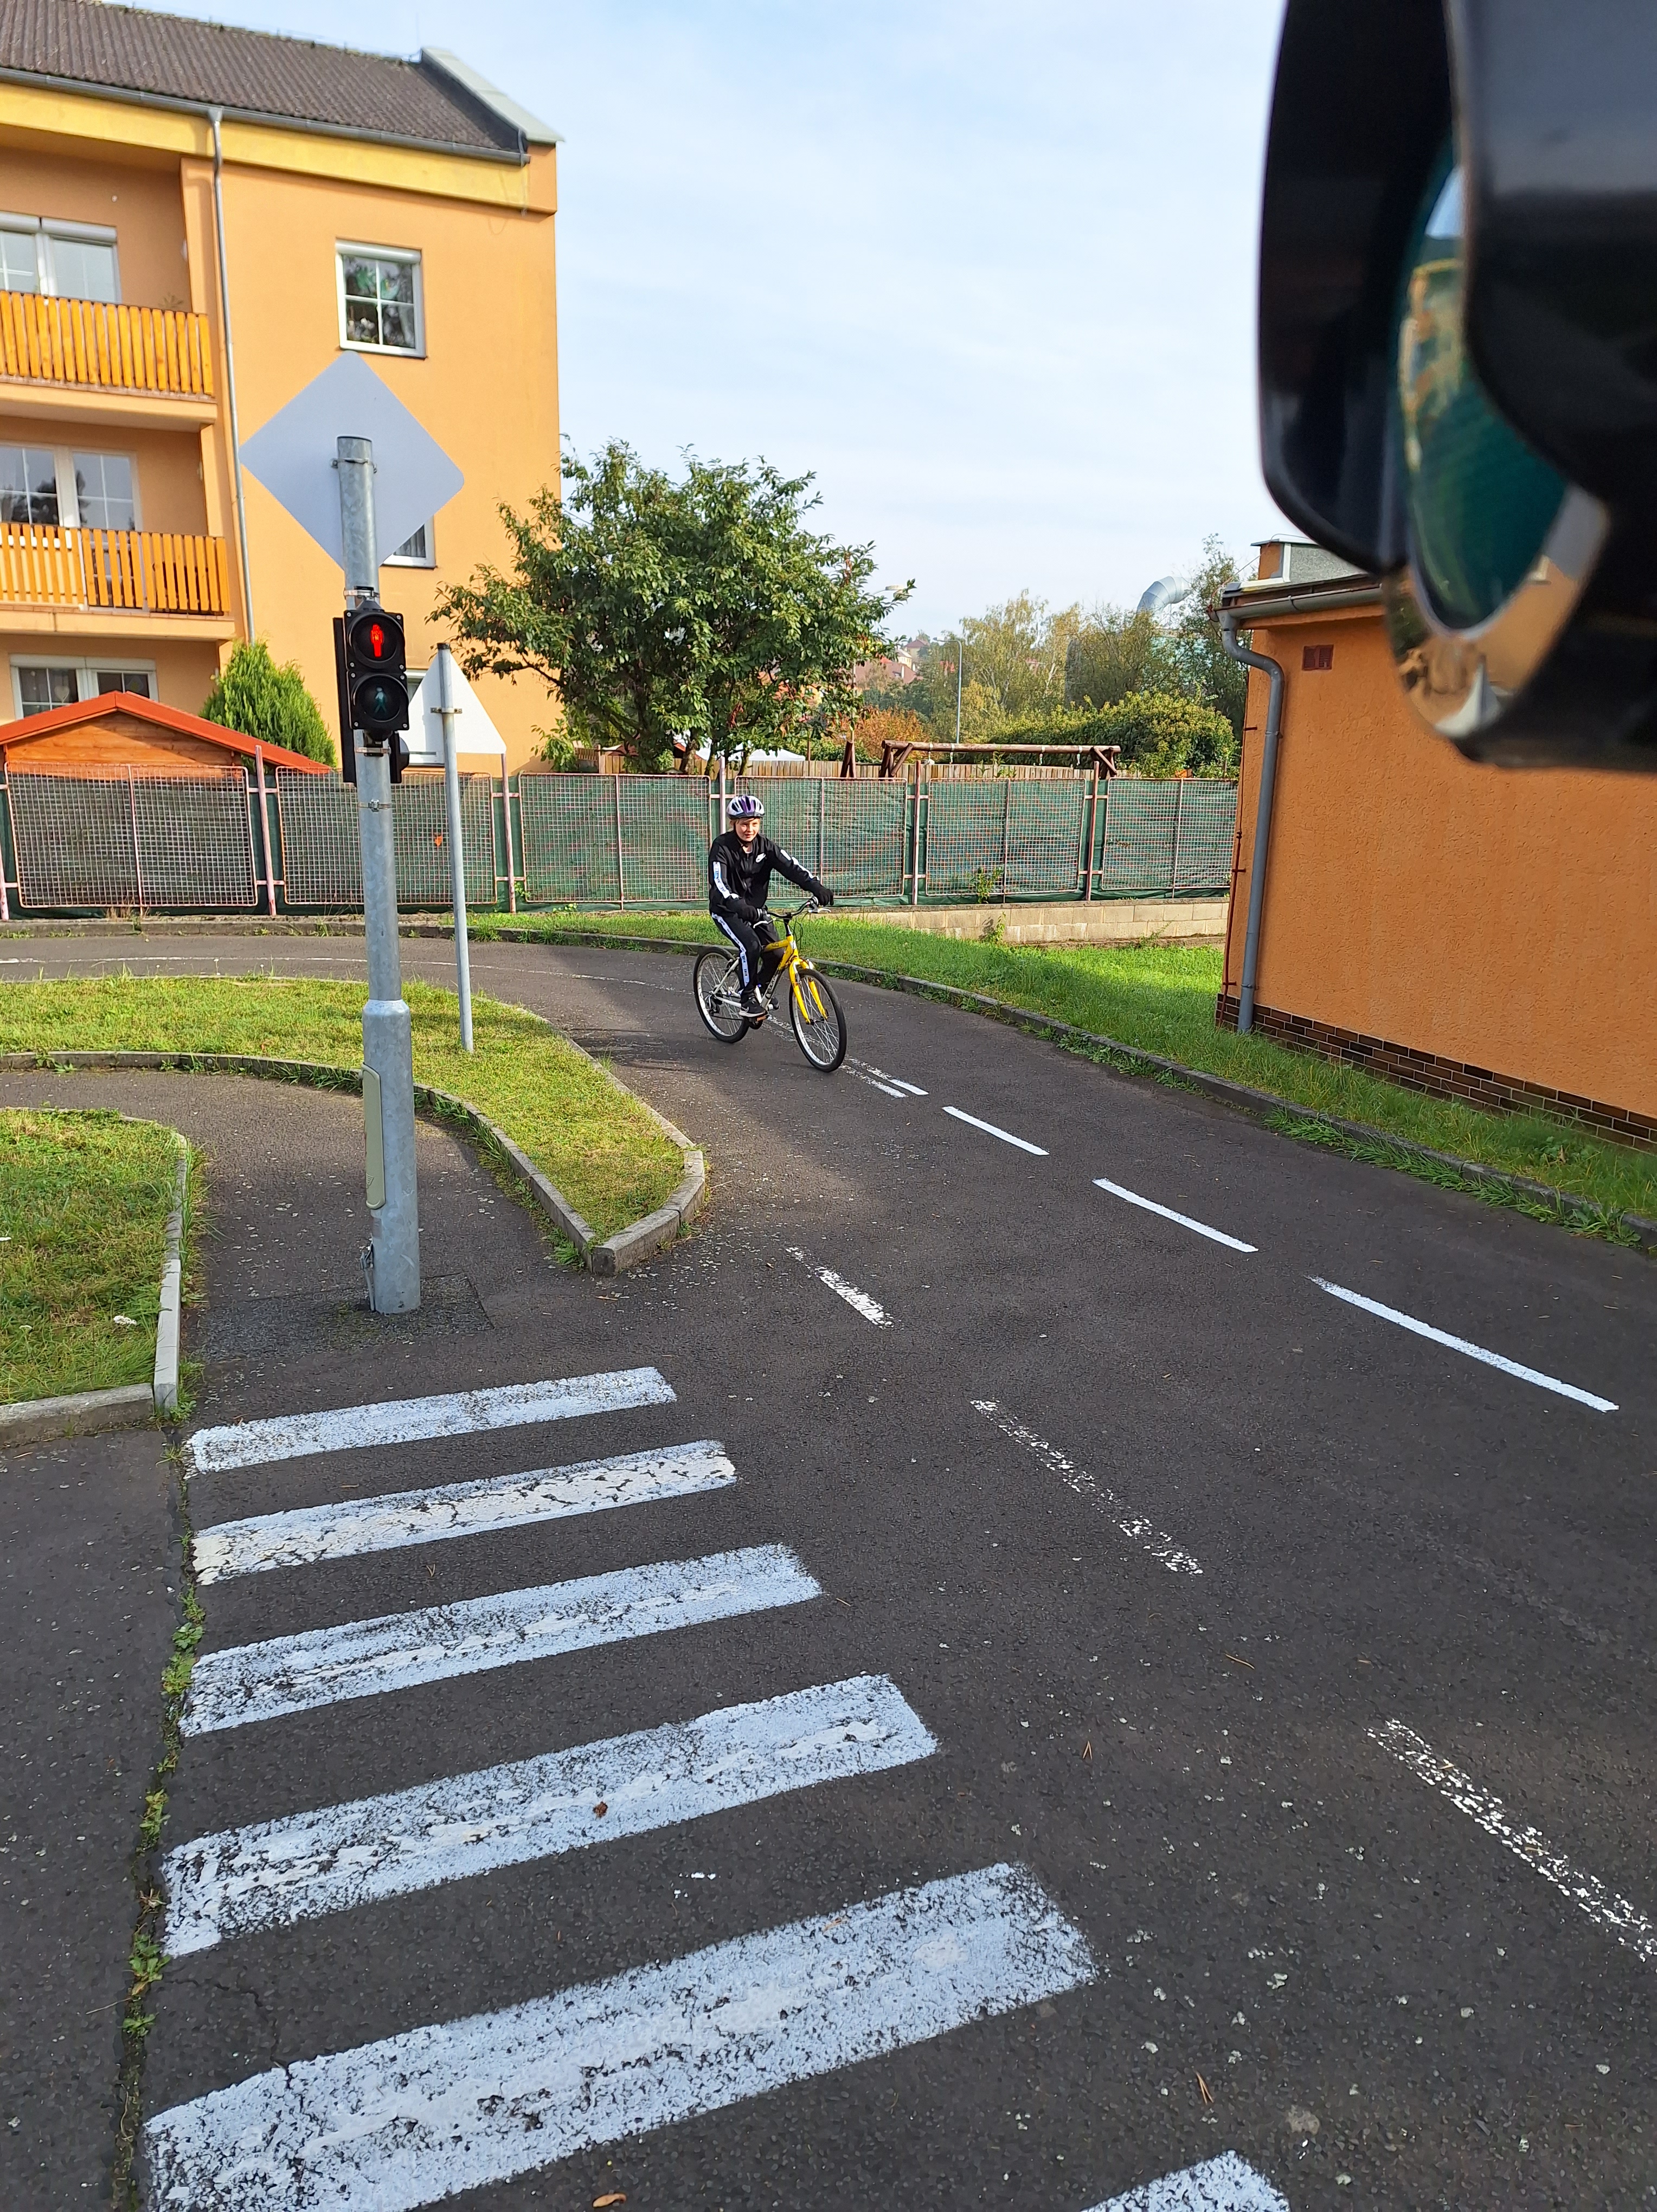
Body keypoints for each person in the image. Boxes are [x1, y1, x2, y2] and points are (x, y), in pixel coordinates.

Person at [708, 793, 834, 1014]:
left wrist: (816, 887)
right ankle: (748, 998)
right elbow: (719, 883)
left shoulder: (765, 846)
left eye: (754, 824)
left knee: (777, 954)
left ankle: (761, 989)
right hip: (727, 910)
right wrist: (738, 905)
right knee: (751, 946)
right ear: (734, 824)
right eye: (744, 824)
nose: (750, 829)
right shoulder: (722, 846)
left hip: (757, 911)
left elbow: (791, 867)